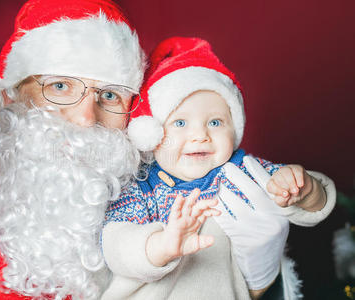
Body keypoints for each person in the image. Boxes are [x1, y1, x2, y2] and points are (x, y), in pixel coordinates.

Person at [0, 0, 145, 299]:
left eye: (109, 95)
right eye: (59, 87)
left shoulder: (146, 203)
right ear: (10, 96)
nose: (85, 119)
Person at [101, 37, 336, 299]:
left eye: (215, 122)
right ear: (151, 134)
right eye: (180, 123)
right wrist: (161, 245)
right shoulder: (141, 184)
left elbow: (310, 203)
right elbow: (115, 242)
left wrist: (304, 189)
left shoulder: (240, 171)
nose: (200, 135)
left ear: (234, 129)